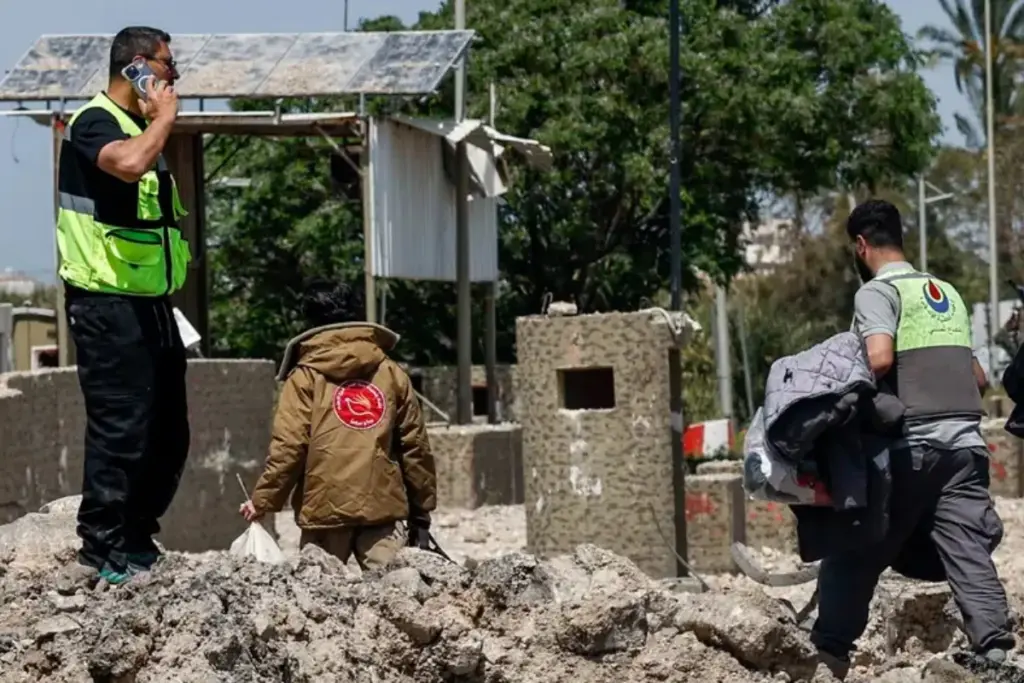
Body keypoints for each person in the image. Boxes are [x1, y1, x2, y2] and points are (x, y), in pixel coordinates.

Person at [811, 199, 1015, 678]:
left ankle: (828, 653)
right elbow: (979, 377)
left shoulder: (876, 294)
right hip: (965, 447)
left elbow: (879, 358)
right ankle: (996, 652)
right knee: (966, 549)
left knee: (856, 544)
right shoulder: (946, 291)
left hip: (910, 446)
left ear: (861, 246)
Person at [57, 26, 190, 586]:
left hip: (151, 302)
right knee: (121, 426)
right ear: (138, 67)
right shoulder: (96, 123)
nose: (172, 79)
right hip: (106, 300)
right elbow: (127, 164)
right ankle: (101, 546)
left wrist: (155, 122)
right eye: (167, 68)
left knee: (168, 430)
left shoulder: (141, 128)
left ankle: (137, 534)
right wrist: (163, 118)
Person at [239, 281, 437, 570]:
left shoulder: (303, 378)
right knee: (397, 595)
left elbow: (289, 448)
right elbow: (415, 448)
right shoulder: (392, 373)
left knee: (320, 601)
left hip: (323, 513)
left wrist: (263, 501)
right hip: (382, 510)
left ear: (311, 320)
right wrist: (421, 513)